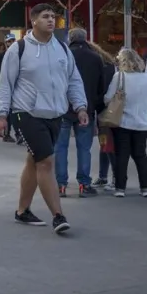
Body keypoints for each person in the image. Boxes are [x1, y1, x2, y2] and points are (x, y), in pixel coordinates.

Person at [0, 3, 87, 233]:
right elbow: (5, 83)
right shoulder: (19, 49)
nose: (51, 20)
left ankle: (22, 211)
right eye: (45, 16)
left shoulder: (62, 49)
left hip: (54, 114)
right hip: (26, 112)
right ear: (33, 20)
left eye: (53, 16)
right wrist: (2, 114)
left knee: (33, 160)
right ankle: (58, 216)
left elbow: (74, 80)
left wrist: (80, 106)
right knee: (45, 162)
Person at [54, 28, 107, 197]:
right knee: (84, 148)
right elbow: (101, 87)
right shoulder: (96, 58)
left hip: (63, 108)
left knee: (60, 147)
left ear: (70, 39)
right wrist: (96, 108)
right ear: (85, 39)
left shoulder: (63, 55)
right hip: (86, 108)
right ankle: (84, 184)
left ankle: (60, 185)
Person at [105, 48, 147, 197]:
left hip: (123, 122)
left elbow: (108, 98)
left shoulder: (119, 76)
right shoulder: (145, 78)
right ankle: (146, 188)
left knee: (122, 155)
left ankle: (120, 188)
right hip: (142, 122)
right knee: (140, 155)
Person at [88, 40, 117, 188]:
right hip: (109, 109)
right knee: (105, 143)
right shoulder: (109, 64)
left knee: (107, 144)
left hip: (104, 110)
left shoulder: (99, 65)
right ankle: (104, 175)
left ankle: (112, 176)